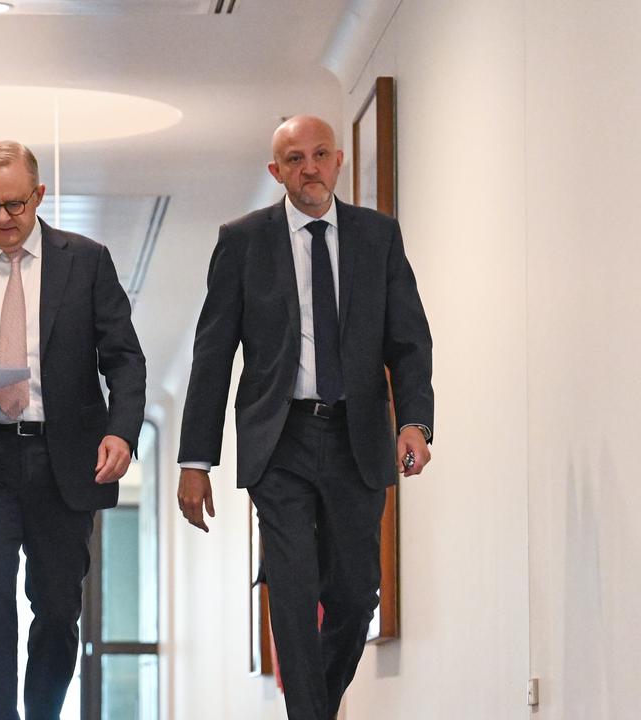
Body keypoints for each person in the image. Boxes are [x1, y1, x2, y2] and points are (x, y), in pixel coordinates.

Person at [176, 115, 434, 720]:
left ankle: (313, 709)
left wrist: (415, 422)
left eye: (319, 155)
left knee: (354, 594)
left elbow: (409, 340)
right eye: (294, 159)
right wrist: (195, 461)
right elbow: (212, 354)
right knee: (290, 594)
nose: (309, 168)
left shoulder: (378, 236)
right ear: (276, 172)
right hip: (280, 438)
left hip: (357, 435)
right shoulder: (242, 240)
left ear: (339, 161)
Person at [0, 141, 146, 719]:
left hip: (64, 458)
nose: (3, 220)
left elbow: (124, 357)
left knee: (57, 605)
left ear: (39, 195)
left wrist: (121, 431)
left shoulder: (85, 261)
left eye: (14, 205)